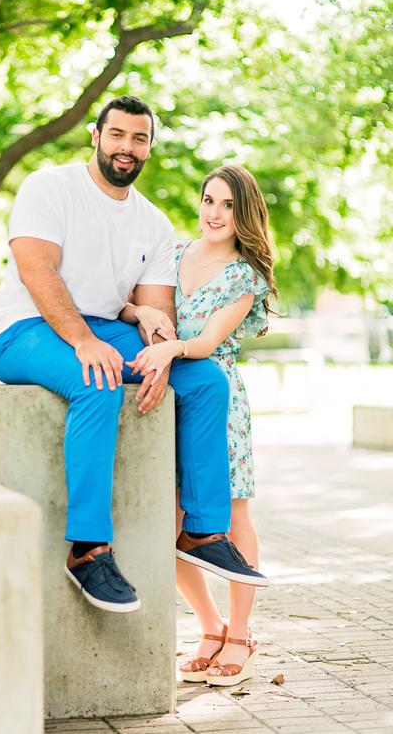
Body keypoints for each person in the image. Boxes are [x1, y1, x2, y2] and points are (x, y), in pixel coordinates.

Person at [0, 95, 267, 614]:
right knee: (98, 379)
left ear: (149, 148)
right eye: (117, 135)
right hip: (24, 327)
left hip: (106, 328)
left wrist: (159, 353)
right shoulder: (49, 187)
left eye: (139, 139)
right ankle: (89, 550)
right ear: (96, 136)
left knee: (204, 380)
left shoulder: (154, 223)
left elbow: (156, 308)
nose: (126, 147)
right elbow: (36, 270)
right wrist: (84, 341)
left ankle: (202, 533)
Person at [128, 165, 277, 685]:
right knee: (171, 527)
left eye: (228, 205)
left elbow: (208, 343)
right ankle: (210, 627)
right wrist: (136, 313)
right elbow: (132, 303)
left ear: (245, 213)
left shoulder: (243, 275)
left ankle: (240, 636)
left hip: (217, 398)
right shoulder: (171, 254)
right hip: (166, 398)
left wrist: (169, 346)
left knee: (232, 518)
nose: (215, 213)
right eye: (209, 200)